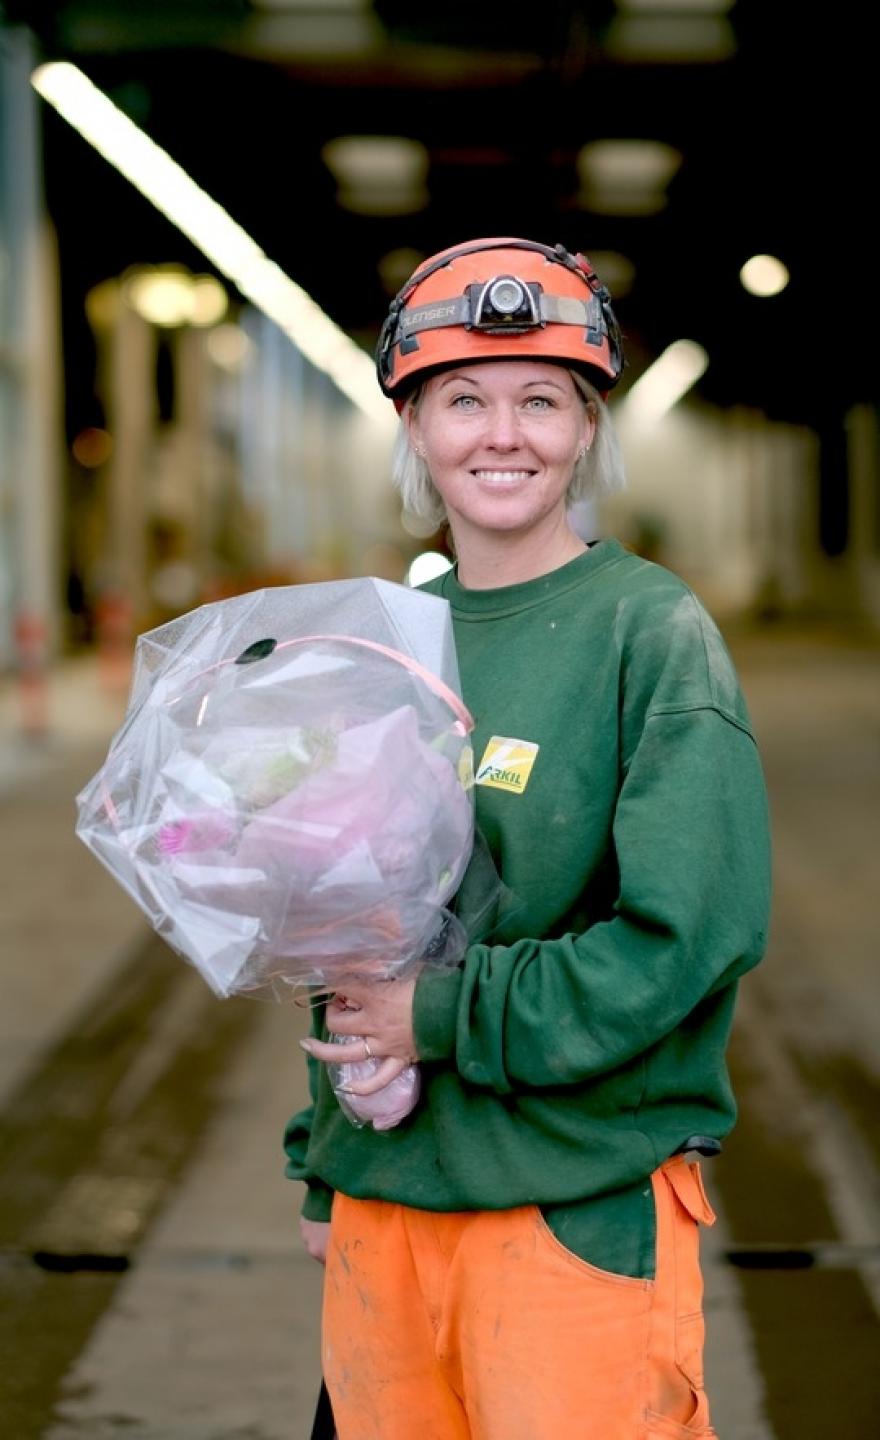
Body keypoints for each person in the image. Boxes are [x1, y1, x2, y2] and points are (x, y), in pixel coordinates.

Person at [284, 237, 772, 1440]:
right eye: (463, 400)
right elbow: (353, 910)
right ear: (412, 426)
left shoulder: (649, 635)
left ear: (588, 428)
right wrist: (322, 1152)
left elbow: (684, 941)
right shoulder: (396, 634)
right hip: (385, 1202)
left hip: (569, 1203)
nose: (502, 435)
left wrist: (439, 1016)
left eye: (540, 401)